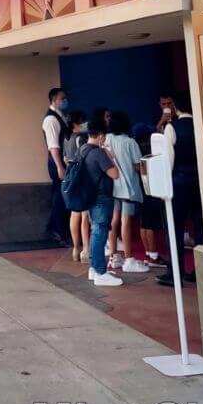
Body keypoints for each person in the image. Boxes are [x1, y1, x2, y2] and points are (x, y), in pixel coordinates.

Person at [158, 94, 203, 287]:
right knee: (200, 226)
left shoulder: (171, 127)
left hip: (178, 182)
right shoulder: (200, 126)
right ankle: (201, 271)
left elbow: (167, 160)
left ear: (176, 108)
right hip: (198, 182)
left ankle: (175, 272)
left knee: (174, 228)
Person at [80, 116, 122, 286]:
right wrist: (109, 155)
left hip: (90, 196)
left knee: (95, 231)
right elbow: (115, 174)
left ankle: (94, 268)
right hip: (101, 197)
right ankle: (100, 271)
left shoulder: (83, 149)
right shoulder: (98, 152)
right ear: (101, 135)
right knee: (100, 232)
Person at [105, 112, 148, 273]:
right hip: (128, 187)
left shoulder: (107, 139)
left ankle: (114, 256)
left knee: (114, 220)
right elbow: (137, 165)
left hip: (113, 186)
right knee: (126, 221)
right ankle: (129, 259)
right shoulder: (130, 142)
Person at [131, 122, 165, 267]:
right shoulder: (148, 150)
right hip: (149, 189)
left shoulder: (134, 147)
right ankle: (153, 255)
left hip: (138, 189)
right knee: (150, 223)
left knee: (143, 223)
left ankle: (148, 254)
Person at [42, 88, 70, 243]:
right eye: (62, 98)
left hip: (62, 162)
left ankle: (56, 228)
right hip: (57, 163)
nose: (65, 101)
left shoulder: (61, 117)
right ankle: (57, 230)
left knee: (61, 195)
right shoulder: (51, 120)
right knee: (59, 197)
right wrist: (60, 166)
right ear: (54, 100)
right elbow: (53, 146)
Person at [63, 111, 89, 261]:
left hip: (70, 176)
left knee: (74, 212)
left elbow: (66, 158)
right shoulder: (80, 138)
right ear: (76, 123)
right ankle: (85, 250)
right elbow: (85, 158)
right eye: (82, 121)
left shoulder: (66, 139)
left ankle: (75, 248)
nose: (85, 124)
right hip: (81, 177)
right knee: (85, 214)